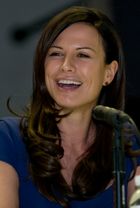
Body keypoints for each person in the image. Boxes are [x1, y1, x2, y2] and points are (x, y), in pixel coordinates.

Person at [0, 6, 140, 208]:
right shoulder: (8, 138)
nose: (66, 65)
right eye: (56, 53)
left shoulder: (126, 145)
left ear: (109, 73)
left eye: (83, 55)